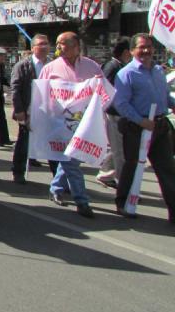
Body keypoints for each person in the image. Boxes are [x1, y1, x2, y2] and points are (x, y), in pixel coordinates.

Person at [112, 34, 175, 222]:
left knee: (167, 169)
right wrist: (140, 121)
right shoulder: (126, 74)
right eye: (141, 47)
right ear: (132, 51)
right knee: (131, 166)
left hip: (160, 126)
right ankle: (123, 203)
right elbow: (121, 104)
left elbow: (163, 96)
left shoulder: (157, 71)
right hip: (136, 128)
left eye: (149, 46)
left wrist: (172, 103)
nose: (146, 50)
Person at [39, 31, 102, 218]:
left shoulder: (92, 67)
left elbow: (102, 92)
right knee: (70, 162)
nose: (59, 47)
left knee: (71, 158)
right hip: (59, 125)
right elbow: (41, 98)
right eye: (57, 43)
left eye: (63, 43)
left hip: (83, 124)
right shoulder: (50, 69)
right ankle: (82, 200)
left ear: (76, 46)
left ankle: (56, 187)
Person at [9, 34, 51, 184]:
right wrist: (19, 110)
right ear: (33, 48)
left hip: (47, 111)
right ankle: (18, 171)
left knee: (51, 143)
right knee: (24, 141)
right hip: (28, 110)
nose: (44, 47)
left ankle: (59, 178)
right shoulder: (22, 65)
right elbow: (15, 88)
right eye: (40, 44)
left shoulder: (52, 65)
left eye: (46, 44)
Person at [98, 37, 132, 188]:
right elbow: (105, 91)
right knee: (120, 152)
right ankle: (123, 185)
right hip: (113, 115)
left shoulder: (121, 66)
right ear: (125, 52)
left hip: (122, 114)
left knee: (119, 148)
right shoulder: (112, 67)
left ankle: (105, 174)